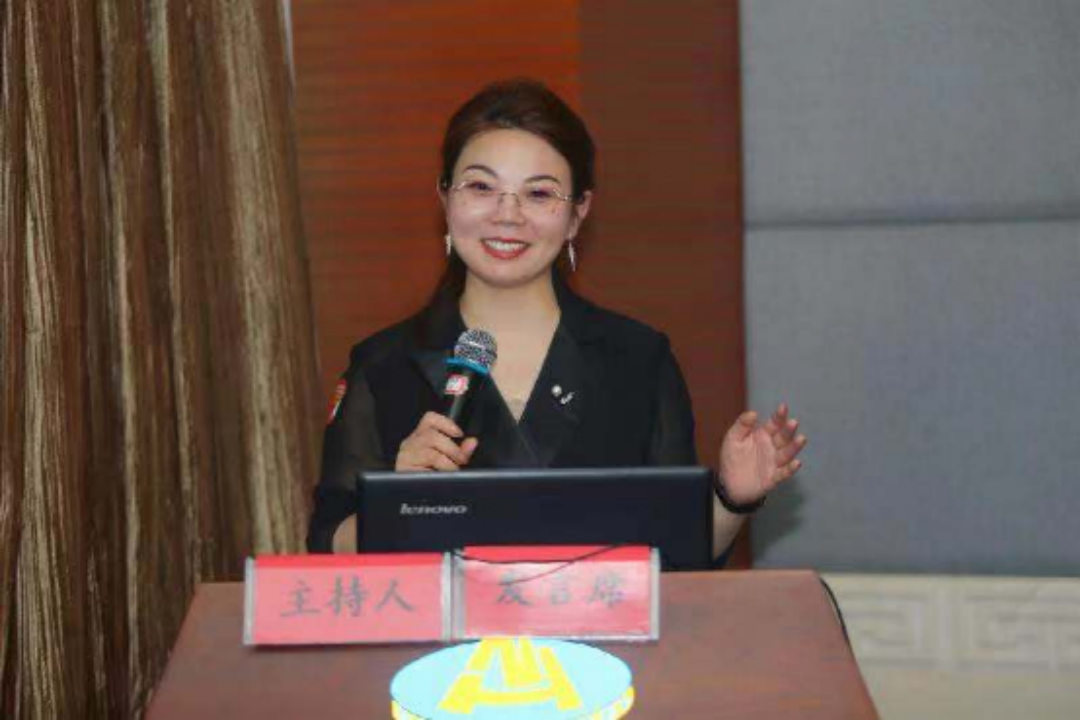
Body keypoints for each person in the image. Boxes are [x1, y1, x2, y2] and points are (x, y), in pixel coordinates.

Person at [307, 79, 807, 563]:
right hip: (444, 625)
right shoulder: (383, 365)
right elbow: (327, 543)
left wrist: (731, 499)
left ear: (577, 213)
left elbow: (678, 557)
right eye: (480, 187)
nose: (508, 215)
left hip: (598, 623)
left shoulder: (637, 358)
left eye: (539, 194)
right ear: (445, 197)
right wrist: (395, 502)